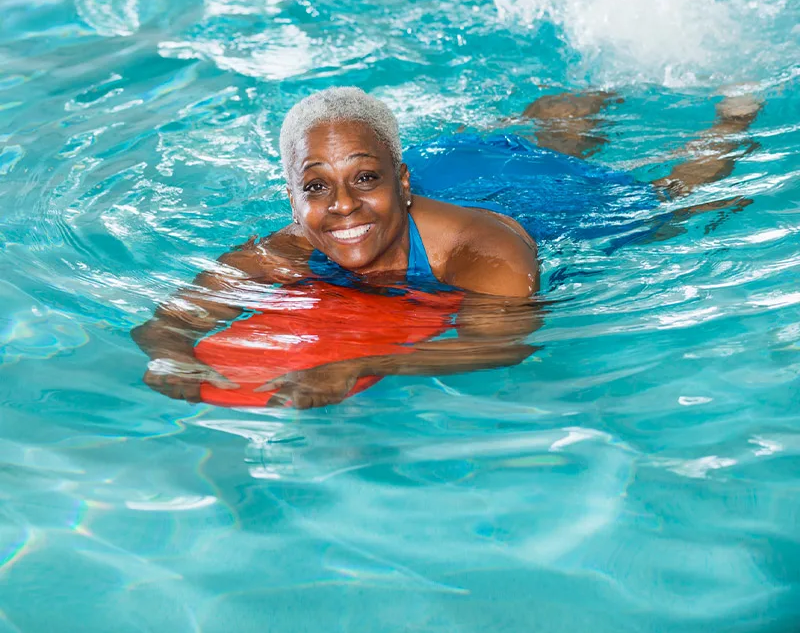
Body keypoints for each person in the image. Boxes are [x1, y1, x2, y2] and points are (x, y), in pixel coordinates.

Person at [132, 86, 761, 408]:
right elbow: (168, 322)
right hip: (456, 170)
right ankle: (585, 97)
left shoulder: (487, 256)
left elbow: (501, 343)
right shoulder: (292, 245)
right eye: (317, 186)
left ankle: (734, 117)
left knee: (669, 202)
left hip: (540, 209)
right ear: (293, 196)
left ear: (399, 179)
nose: (342, 206)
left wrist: (367, 363)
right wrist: (174, 362)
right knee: (555, 141)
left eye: (364, 178)